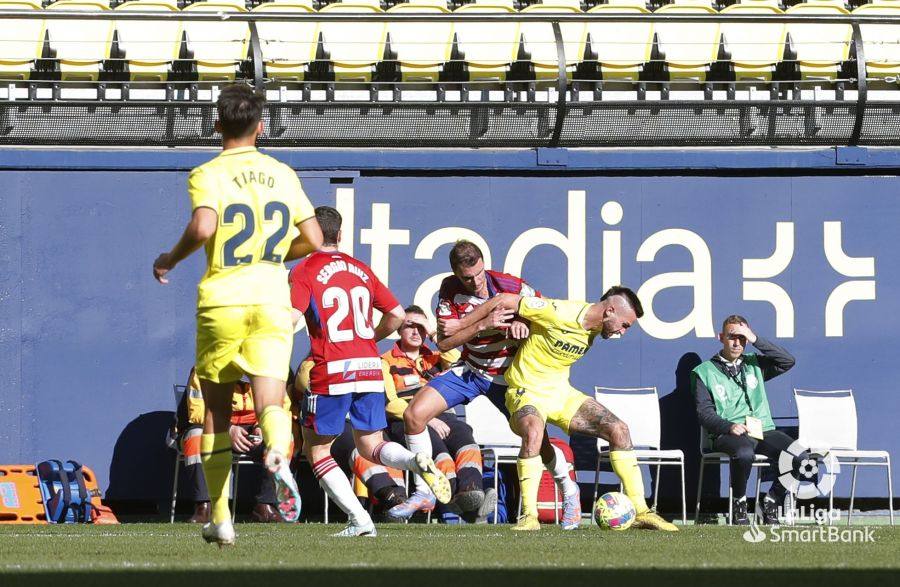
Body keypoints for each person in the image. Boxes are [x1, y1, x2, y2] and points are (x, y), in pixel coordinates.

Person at [153, 83, 324, 546]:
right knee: (272, 401)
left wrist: (170, 257)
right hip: (272, 297)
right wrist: (270, 257)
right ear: (261, 126)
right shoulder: (283, 173)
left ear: (215, 125)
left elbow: (204, 225)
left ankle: (221, 516)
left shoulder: (208, 172)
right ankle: (275, 448)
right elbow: (313, 238)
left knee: (216, 414)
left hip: (223, 300)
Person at [445, 287, 678, 532]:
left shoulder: (597, 327)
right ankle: (529, 516)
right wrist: (463, 324)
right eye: (625, 324)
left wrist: (522, 323)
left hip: (560, 393)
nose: (623, 331)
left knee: (619, 430)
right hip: (526, 391)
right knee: (534, 432)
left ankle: (641, 512)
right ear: (610, 310)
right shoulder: (560, 312)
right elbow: (503, 299)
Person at [289, 206, 451, 537]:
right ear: (340, 234)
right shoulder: (360, 269)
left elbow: (290, 318)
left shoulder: (304, 270)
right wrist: (368, 339)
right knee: (371, 445)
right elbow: (395, 314)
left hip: (331, 368)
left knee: (316, 449)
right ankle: (414, 461)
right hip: (368, 365)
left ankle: (359, 520)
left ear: (310, 235)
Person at [398, 240, 581, 529]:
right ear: (456, 273)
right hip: (471, 371)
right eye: (466, 277)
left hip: (508, 379)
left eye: (479, 273)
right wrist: (482, 324)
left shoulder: (511, 285)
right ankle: (423, 491)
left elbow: (550, 316)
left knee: (537, 440)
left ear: (485, 264)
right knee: (413, 415)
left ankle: (570, 492)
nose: (474, 282)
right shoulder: (449, 289)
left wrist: (526, 325)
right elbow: (446, 341)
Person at [382, 306, 496, 522]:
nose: (416, 332)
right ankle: (462, 502)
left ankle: (472, 491)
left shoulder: (436, 357)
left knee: (464, 433)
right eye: (410, 326)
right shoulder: (386, 361)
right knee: (440, 450)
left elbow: (460, 361)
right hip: (409, 422)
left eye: (421, 327)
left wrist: (433, 332)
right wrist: (428, 419)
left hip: (444, 417)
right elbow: (390, 404)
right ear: (398, 330)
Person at [692, 315, 796, 525]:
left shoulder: (754, 364)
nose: (737, 342)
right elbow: (704, 413)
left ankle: (771, 500)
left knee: (801, 456)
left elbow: (788, 361)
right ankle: (738, 503)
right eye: (732, 337)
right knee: (744, 453)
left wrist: (755, 338)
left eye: (742, 338)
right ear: (720, 337)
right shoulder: (703, 372)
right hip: (728, 433)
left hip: (762, 429)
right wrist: (729, 426)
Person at [172, 368, 293, 523]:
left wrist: (262, 425)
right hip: (211, 427)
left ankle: (265, 507)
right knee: (196, 437)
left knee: (284, 437)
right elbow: (198, 412)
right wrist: (227, 429)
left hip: (251, 429)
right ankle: (204, 507)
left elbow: (281, 409)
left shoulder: (269, 369)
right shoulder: (205, 369)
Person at [294, 357, 408, 519]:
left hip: (362, 418)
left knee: (381, 446)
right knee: (359, 449)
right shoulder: (311, 364)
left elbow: (389, 401)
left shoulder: (377, 363)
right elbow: (305, 384)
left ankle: (398, 501)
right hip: (334, 425)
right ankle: (390, 494)